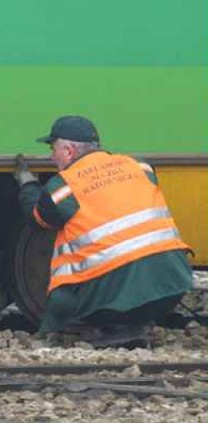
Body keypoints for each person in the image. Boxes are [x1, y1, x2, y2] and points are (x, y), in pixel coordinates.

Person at [13, 116, 193, 347]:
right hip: (171, 290)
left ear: (68, 151)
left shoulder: (64, 187)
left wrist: (27, 183)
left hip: (113, 305)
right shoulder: (140, 166)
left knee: (65, 285)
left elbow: (39, 219)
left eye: (53, 148)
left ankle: (114, 327)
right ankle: (136, 323)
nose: (51, 156)